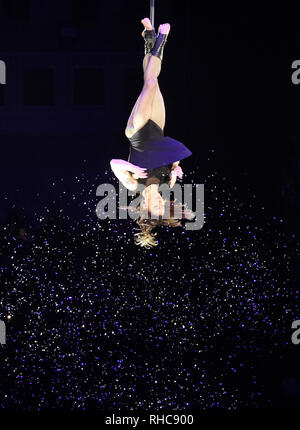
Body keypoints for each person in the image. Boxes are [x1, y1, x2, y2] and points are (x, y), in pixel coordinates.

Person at [110, 18, 194, 248]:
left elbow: (114, 163)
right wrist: (177, 166)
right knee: (152, 81)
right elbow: (173, 160)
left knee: (149, 84)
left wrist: (130, 168)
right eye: (162, 205)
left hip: (136, 132)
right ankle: (149, 36)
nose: (160, 201)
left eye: (155, 206)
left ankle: (161, 40)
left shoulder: (133, 185)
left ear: (145, 206)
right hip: (157, 131)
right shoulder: (169, 183)